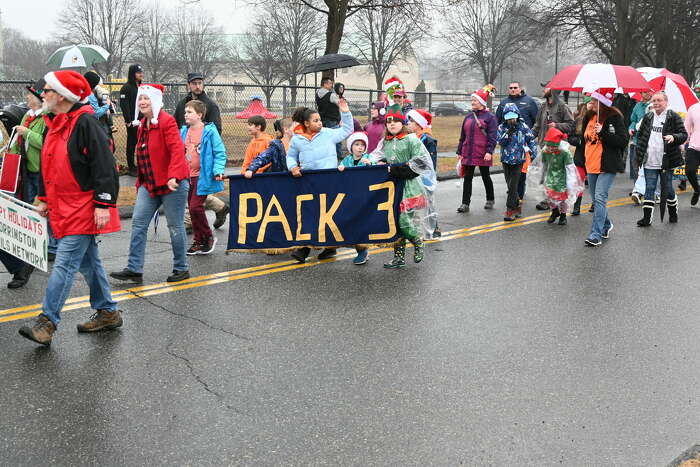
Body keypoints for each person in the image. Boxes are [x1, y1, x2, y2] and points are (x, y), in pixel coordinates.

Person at [18, 70, 122, 345]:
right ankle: (108, 312)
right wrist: (44, 198)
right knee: (89, 264)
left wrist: (102, 203)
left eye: (48, 90)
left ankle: (47, 322)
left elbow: (105, 167)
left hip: (84, 207)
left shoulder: (86, 123)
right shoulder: (54, 122)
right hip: (64, 207)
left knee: (64, 264)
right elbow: (48, 164)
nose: (43, 95)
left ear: (63, 95)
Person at [111, 84, 191, 283]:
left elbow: (176, 151)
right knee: (138, 224)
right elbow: (143, 155)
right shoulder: (142, 126)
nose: (142, 102)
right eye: (140, 99)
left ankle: (181, 268)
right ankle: (134, 268)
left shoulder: (166, 122)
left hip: (172, 184)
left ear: (155, 101)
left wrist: (174, 176)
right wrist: (140, 182)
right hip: (149, 185)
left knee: (174, 226)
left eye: (146, 99)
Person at [286, 101, 353, 263]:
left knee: (327, 215)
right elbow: (290, 156)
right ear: (306, 123)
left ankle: (329, 247)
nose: (320, 123)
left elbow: (347, 130)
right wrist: (293, 167)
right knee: (309, 214)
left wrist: (345, 112)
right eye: (315, 121)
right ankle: (305, 247)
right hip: (308, 182)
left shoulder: (328, 133)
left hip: (329, 181)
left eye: (320, 120)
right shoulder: (297, 140)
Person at [372, 107, 435, 268]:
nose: (391, 124)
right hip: (393, 186)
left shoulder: (411, 140)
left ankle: (417, 242)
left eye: (395, 121)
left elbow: (422, 161)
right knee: (394, 221)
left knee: (403, 220)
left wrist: (397, 169)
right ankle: (399, 257)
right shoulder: (385, 141)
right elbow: (376, 156)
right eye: (388, 121)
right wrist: (369, 161)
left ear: (402, 123)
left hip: (409, 185)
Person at [173, 72, 228, 232]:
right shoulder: (182, 104)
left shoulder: (210, 105)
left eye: (200, 83)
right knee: (192, 188)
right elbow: (176, 125)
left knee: (194, 188)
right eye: (194, 83)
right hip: (185, 152)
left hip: (202, 156)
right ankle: (220, 207)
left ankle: (191, 223)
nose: (197, 86)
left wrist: (202, 144)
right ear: (188, 85)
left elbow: (216, 130)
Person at [10, 78, 57, 261]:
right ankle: (37, 242)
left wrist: (27, 132)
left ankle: (52, 245)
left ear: (39, 98)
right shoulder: (27, 115)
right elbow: (18, 140)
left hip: (41, 170)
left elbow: (45, 143)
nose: (27, 98)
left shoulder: (47, 118)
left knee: (44, 208)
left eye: (30, 95)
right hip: (26, 169)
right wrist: (12, 153)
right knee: (30, 206)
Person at [180, 100, 227, 255]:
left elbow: (219, 153)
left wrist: (218, 170)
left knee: (195, 207)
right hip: (187, 176)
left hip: (202, 176)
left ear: (199, 115)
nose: (186, 114)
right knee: (192, 210)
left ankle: (208, 237)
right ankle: (199, 241)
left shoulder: (209, 131)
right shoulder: (183, 131)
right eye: (185, 112)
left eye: (189, 112)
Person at [635, 91, 688, 226]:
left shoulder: (673, 116)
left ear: (666, 102)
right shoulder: (648, 117)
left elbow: (684, 134)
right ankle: (647, 219)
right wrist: (641, 151)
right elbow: (640, 135)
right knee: (650, 187)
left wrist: (674, 137)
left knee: (667, 189)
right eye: (654, 101)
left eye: (659, 100)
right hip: (650, 160)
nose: (656, 103)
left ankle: (673, 211)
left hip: (666, 160)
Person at [582, 91, 627, 246]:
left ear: (603, 103)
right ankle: (607, 224)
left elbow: (622, 141)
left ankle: (596, 234)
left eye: (595, 101)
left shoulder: (614, 118)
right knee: (596, 200)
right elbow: (584, 140)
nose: (591, 103)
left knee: (600, 198)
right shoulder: (589, 117)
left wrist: (604, 133)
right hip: (591, 164)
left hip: (607, 165)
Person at [532, 87, 575, 210]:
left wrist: (557, 125)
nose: (543, 90)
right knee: (544, 174)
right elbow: (537, 125)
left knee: (555, 175)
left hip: (558, 149)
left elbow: (571, 125)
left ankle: (556, 200)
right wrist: (529, 136)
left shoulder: (562, 106)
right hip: (544, 146)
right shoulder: (543, 106)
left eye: (546, 88)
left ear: (553, 91)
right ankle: (548, 199)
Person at [456, 86, 497, 213]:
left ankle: (490, 199)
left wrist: (489, 151)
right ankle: (465, 203)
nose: (472, 102)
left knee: (486, 176)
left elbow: (492, 136)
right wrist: (459, 151)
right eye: (472, 100)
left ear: (482, 102)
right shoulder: (468, 117)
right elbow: (463, 135)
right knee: (467, 177)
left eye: (475, 100)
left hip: (483, 152)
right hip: (468, 152)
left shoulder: (490, 117)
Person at [496, 103, 537, 221]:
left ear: (517, 115)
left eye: (513, 117)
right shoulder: (501, 128)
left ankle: (510, 211)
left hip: (519, 160)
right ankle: (517, 205)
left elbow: (531, 140)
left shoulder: (523, 126)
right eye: (508, 117)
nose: (511, 120)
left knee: (513, 186)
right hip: (506, 160)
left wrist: (533, 154)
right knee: (510, 186)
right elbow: (501, 142)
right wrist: (508, 132)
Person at [338, 132, 373, 265]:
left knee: (361, 224)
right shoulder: (347, 160)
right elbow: (341, 172)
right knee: (352, 224)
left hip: (365, 196)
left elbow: (376, 170)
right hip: (350, 197)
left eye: (362, 145)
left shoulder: (368, 158)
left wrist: (370, 164)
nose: (360, 147)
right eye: (357, 144)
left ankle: (362, 251)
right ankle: (359, 250)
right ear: (351, 147)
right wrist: (340, 168)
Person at [406, 108, 441, 236]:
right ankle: (415, 227)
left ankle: (434, 228)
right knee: (414, 202)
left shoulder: (428, 141)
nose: (407, 123)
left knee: (428, 202)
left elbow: (430, 162)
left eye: (411, 121)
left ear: (419, 124)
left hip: (424, 177)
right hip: (412, 175)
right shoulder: (409, 139)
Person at [540, 128, 579, 226]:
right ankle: (554, 211)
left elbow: (570, 168)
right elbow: (544, 165)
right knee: (549, 196)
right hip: (550, 176)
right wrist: (542, 177)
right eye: (548, 146)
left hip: (562, 176)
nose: (550, 149)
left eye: (553, 147)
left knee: (562, 198)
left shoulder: (565, 153)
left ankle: (563, 215)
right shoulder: (545, 152)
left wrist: (571, 182)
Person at [566, 97, 594, 216]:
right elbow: (570, 137)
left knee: (594, 183)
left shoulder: (600, 120)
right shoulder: (578, 120)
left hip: (594, 157)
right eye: (589, 103)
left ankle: (595, 203)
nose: (591, 105)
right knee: (579, 182)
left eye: (593, 103)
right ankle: (577, 207)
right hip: (581, 157)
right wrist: (579, 141)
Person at [119, 64, 144, 177]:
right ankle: (131, 167)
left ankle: (141, 164)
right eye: (138, 73)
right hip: (132, 122)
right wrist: (128, 121)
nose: (141, 74)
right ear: (133, 74)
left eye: (141, 72)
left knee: (142, 144)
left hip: (142, 121)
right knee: (131, 143)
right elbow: (124, 105)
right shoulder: (126, 88)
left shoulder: (141, 87)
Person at [629, 92, 653, 204]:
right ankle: (637, 190)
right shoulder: (638, 106)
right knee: (636, 166)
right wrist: (631, 128)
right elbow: (634, 120)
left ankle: (644, 192)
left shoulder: (654, 106)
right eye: (645, 92)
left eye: (650, 92)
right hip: (637, 140)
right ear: (641, 93)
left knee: (646, 168)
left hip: (651, 143)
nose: (648, 93)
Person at [684, 102, 700, 205]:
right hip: (694, 146)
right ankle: (697, 190)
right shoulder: (693, 108)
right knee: (689, 171)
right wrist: (681, 143)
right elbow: (686, 127)